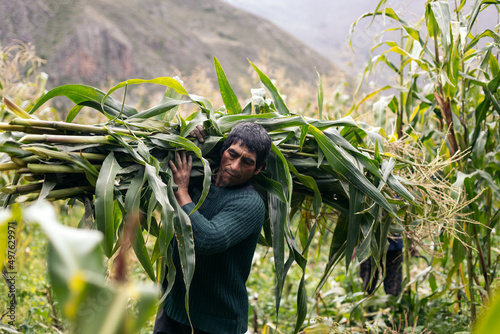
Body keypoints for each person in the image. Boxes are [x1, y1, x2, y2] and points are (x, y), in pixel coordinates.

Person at [153, 122, 272, 334]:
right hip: (173, 309)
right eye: (232, 154)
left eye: (247, 162)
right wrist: (186, 135)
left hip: (216, 322)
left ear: (258, 169)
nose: (235, 167)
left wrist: (182, 191)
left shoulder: (250, 203)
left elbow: (207, 239)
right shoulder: (198, 180)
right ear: (222, 151)